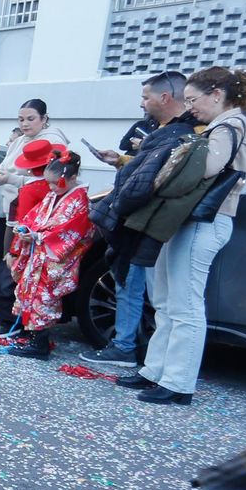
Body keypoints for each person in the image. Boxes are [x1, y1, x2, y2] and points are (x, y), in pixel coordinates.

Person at [117, 66, 246, 405]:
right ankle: (156, 371)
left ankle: (178, 382)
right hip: (193, 221)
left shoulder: (229, 125)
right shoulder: (226, 124)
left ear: (216, 95)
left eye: (195, 100)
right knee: (168, 301)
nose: (191, 107)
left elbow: (205, 169)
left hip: (204, 221)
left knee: (184, 305)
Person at [84, 71, 191, 366]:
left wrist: (124, 197)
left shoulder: (186, 133)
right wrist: (121, 161)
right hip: (143, 220)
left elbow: (158, 177)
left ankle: (133, 350)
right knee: (132, 284)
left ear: (164, 97)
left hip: (151, 221)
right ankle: (134, 351)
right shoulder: (166, 131)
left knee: (151, 293)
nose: (142, 104)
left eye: (145, 97)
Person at [5, 153, 92, 359]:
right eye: (49, 183)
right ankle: (34, 337)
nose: (51, 188)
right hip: (39, 252)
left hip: (54, 256)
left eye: (56, 183)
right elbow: (34, 217)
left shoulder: (79, 200)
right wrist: (26, 229)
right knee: (30, 292)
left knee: (44, 296)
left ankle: (40, 344)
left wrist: (39, 236)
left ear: (72, 178)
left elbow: (72, 232)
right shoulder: (53, 196)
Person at [0, 100, 68, 263]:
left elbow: (47, 181)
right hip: (12, 210)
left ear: (44, 118)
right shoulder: (19, 141)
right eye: (20, 119)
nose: (24, 124)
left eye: (30, 119)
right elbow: (2, 172)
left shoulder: (53, 142)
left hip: (36, 215)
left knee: (19, 261)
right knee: (8, 260)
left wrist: (12, 179)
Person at [0, 139, 60, 333]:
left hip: (28, 242)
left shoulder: (31, 190)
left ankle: (6, 320)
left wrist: (13, 251)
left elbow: (22, 224)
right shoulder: (52, 188)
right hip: (49, 244)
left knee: (3, 281)